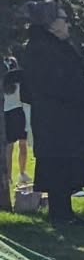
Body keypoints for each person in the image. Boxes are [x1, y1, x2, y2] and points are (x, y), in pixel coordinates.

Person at [20, 2, 84, 224]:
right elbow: (60, 83)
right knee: (60, 166)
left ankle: (64, 211)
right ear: (52, 23)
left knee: (64, 166)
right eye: (64, 19)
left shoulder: (49, 46)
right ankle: (61, 213)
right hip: (58, 119)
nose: (67, 24)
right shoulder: (45, 49)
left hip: (58, 118)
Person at [4, 54, 30, 187]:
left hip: (9, 114)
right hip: (20, 113)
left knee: (9, 146)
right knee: (22, 145)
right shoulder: (20, 83)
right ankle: (22, 171)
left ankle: (8, 175)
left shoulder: (5, 85)